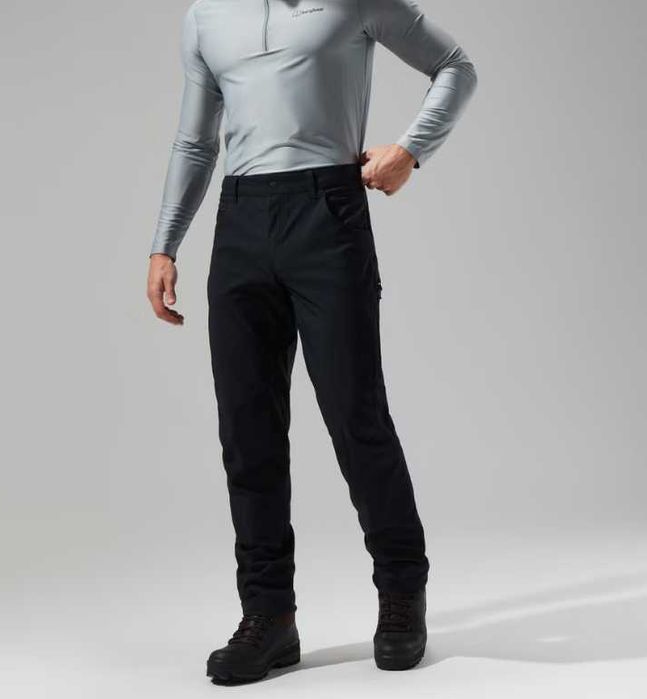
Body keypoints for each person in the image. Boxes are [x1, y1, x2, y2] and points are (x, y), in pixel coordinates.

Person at [146, 0, 477, 683]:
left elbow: (454, 66)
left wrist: (411, 149)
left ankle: (400, 592)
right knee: (247, 430)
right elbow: (195, 141)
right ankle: (268, 615)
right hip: (240, 219)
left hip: (326, 212)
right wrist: (164, 243)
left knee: (356, 415)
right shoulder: (207, 16)